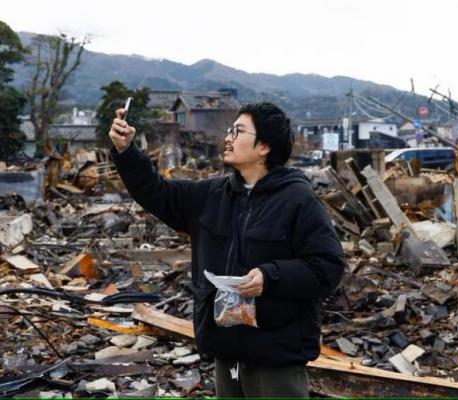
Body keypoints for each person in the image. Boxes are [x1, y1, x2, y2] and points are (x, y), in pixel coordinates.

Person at [109, 102, 345, 397]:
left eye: (238, 131)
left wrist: (270, 277)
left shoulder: (298, 199)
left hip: (276, 359)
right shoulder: (212, 195)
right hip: (227, 352)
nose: (228, 137)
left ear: (264, 146)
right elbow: (156, 192)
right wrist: (125, 151)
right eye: (230, 130)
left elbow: (328, 266)